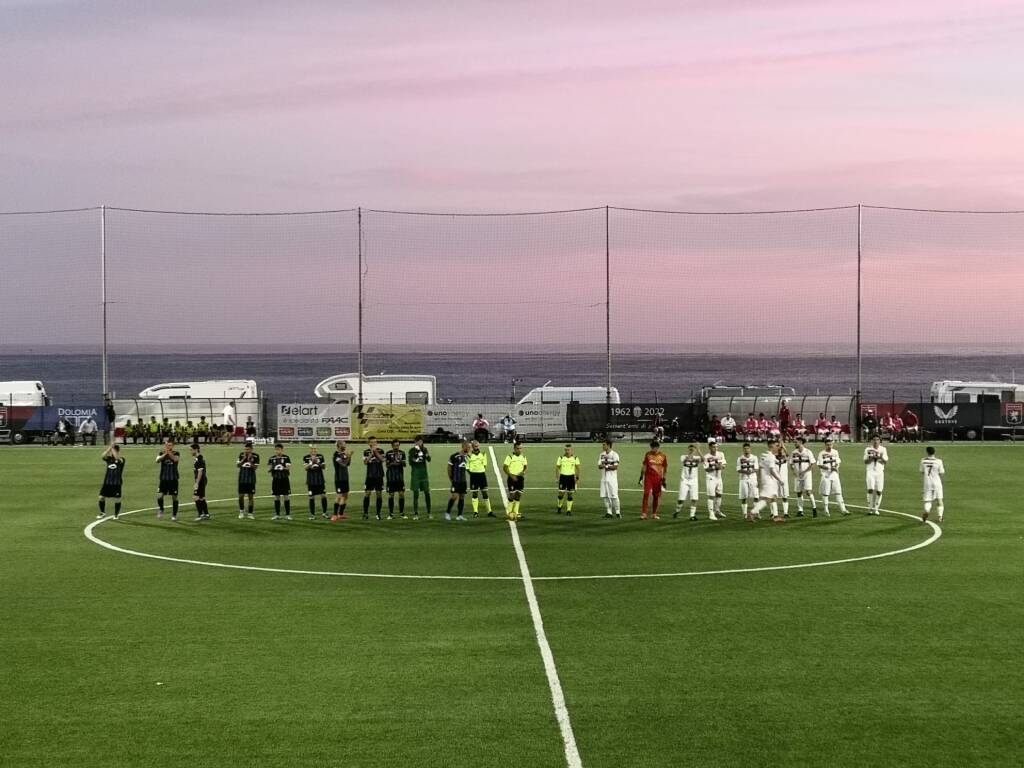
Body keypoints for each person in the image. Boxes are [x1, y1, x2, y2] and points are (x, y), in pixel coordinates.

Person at [747, 441, 785, 523]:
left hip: (765, 480)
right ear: (772, 447)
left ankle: (775, 516)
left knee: (773, 497)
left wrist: (759, 479)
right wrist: (780, 480)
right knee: (767, 499)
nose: (778, 447)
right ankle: (752, 512)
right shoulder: (771, 457)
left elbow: (760, 468)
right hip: (769, 480)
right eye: (776, 446)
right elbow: (771, 470)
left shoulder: (764, 455)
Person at [817, 438, 848, 516]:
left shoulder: (835, 452)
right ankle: (826, 510)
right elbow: (820, 465)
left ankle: (843, 509)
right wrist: (830, 468)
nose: (829, 446)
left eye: (830, 444)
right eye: (828, 444)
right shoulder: (821, 453)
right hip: (826, 475)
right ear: (825, 445)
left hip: (834, 475)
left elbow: (838, 462)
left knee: (838, 492)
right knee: (825, 493)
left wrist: (836, 468)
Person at [789, 437, 818, 517]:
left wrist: (804, 472)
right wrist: (794, 471)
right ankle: (800, 510)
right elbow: (791, 463)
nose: (794, 443)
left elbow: (813, 464)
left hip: (806, 475)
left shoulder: (808, 452)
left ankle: (814, 508)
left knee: (808, 492)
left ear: (801, 442)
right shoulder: (794, 452)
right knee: (798, 492)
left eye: (796, 442)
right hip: (798, 475)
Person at [638, 440, 667, 520]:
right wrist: (641, 477)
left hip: (658, 478)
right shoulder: (648, 454)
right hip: (648, 477)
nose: (654, 449)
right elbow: (644, 466)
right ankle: (644, 514)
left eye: (655, 448)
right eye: (653, 448)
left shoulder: (663, 456)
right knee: (646, 494)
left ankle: (654, 514)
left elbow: (665, 468)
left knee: (656, 496)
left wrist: (664, 479)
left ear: (658, 447)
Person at [96, 444, 125, 520]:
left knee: (117, 499)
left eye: (114, 450)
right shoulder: (109, 459)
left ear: (118, 451)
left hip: (116, 483)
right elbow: (102, 456)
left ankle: (116, 515)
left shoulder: (121, 459)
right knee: (101, 497)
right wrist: (109, 448)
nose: (112, 452)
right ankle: (103, 513)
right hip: (107, 482)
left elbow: (117, 458)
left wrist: (113, 449)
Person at [674, 443, 702, 520]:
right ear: (688, 449)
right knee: (681, 499)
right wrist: (693, 451)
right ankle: (677, 511)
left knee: (694, 498)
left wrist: (699, 450)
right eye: (690, 449)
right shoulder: (683, 457)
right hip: (684, 480)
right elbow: (688, 459)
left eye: (693, 448)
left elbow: (704, 460)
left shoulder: (697, 457)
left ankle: (692, 515)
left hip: (694, 480)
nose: (692, 450)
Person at [155, 439, 180, 521]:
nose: (168, 446)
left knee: (174, 497)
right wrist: (165, 453)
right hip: (164, 479)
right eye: (167, 445)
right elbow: (157, 460)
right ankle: (161, 509)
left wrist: (168, 452)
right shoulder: (162, 453)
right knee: (159, 496)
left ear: (173, 446)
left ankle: (174, 515)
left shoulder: (176, 453)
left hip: (173, 479)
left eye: (170, 445)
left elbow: (175, 459)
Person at [863, 434, 889, 515]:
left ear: (880, 441)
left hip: (880, 472)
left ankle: (876, 509)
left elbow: (885, 461)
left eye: (877, 440)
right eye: (874, 439)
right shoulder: (868, 449)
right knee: (870, 489)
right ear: (871, 441)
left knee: (879, 491)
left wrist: (880, 457)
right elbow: (865, 461)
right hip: (870, 471)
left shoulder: (883, 449)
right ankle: (870, 508)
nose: (875, 441)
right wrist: (871, 458)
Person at [467, 440, 493, 517]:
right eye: (475, 446)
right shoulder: (468, 455)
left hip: (482, 475)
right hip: (474, 476)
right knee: (475, 493)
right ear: (472, 447)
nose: (477, 447)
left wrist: (480, 470)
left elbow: (484, 465)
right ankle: (475, 512)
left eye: (478, 446)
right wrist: (472, 473)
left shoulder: (483, 454)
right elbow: (467, 467)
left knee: (485, 493)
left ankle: (489, 512)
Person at [503, 441, 528, 521]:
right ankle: (509, 513)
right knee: (512, 495)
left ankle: (516, 513)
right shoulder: (510, 457)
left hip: (520, 478)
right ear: (514, 449)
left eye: (520, 448)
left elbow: (525, 466)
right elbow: (505, 467)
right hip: (512, 478)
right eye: (517, 448)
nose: (519, 450)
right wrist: (511, 476)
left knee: (518, 495)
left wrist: (524, 471)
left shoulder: (523, 457)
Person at [362, 436, 386, 520]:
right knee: (367, 494)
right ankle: (365, 513)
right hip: (370, 476)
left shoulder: (381, 451)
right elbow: (365, 462)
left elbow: (382, 460)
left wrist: (375, 452)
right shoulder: (366, 452)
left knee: (379, 494)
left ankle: (378, 514)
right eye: (371, 442)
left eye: (375, 442)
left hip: (379, 475)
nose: (373, 443)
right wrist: (371, 454)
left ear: (377, 443)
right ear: (369, 443)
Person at [446, 441, 470, 522]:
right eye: (468, 447)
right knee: (454, 496)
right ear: (463, 447)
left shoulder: (468, 457)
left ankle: (459, 515)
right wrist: (451, 479)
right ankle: (447, 513)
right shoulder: (454, 456)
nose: (469, 449)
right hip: (455, 481)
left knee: (462, 497)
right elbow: (449, 468)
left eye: (469, 447)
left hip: (463, 481)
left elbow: (469, 469)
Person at [408, 436, 432, 519]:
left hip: (424, 474)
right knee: (416, 494)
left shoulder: (425, 449)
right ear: (415, 442)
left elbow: (429, 459)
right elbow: (411, 463)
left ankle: (429, 513)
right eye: (417, 442)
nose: (419, 443)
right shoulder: (412, 450)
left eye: (421, 441)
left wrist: (425, 454)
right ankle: (416, 514)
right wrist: (417, 455)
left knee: (427, 493)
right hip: (415, 474)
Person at [703, 438, 727, 520]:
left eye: (716, 447)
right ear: (709, 447)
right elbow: (706, 469)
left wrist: (720, 466)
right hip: (711, 478)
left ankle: (717, 510)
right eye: (713, 447)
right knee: (711, 496)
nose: (715, 448)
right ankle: (711, 513)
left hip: (719, 478)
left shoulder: (721, 454)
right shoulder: (706, 457)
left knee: (719, 495)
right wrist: (714, 467)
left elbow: (724, 465)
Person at [920, 446, 945, 523]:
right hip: (937, 482)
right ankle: (940, 517)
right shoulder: (939, 461)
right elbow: (941, 472)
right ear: (934, 452)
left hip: (927, 483)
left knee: (928, 500)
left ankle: (927, 510)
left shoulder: (923, 461)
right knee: (939, 500)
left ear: (927, 452)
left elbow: (922, 471)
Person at [268, 442, 293, 520]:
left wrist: (282, 467)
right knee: (276, 497)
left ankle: (288, 515)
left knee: (286, 496)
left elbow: (288, 468)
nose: (277, 451)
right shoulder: (272, 458)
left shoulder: (286, 457)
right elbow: (269, 469)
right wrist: (274, 468)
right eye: (276, 449)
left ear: (282, 450)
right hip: (276, 480)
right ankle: (277, 514)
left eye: (279, 449)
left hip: (284, 479)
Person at [597, 439, 621, 518]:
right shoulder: (601, 455)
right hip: (603, 479)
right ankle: (609, 512)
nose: (603, 446)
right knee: (605, 496)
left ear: (608, 445)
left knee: (614, 496)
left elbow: (615, 467)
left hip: (612, 479)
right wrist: (605, 466)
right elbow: (599, 466)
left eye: (604, 445)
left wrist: (606, 466)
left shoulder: (615, 454)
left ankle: (617, 512)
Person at [556, 443, 582, 516]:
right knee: (561, 494)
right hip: (563, 477)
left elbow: (578, 468)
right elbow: (557, 467)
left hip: (571, 477)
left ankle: (568, 510)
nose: (567, 451)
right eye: (566, 450)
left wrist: (577, 478)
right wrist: (557, 477)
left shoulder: (575, 458)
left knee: (570, 494)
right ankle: (559, 507)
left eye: (569, 450)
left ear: (572, 450)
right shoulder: (561, 458)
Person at [304, 444, 329, 520]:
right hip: (311, 480)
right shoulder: (306, 457)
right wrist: (311, 463)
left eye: (315, 449)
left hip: (320, 480)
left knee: (323, 496)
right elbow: (305, 468)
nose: (314, 451)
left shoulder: (320, 456)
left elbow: (324, 467)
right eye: (312, 449)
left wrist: (317, 462)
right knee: (311, 497)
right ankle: (312, 514)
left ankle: (324, 513)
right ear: (310, 450)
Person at [236, 441, 260, 519]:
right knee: (240, 496)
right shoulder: (241, 455)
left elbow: (255, 468)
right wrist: (243, 459)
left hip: (251, 479)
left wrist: (250, 460)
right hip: (242, 479)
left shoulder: (256, 456)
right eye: (245, 449)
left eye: (248, 449)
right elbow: (238, 465)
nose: (246, 451)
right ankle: (241, 511)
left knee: (250, 497)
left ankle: (250, 513)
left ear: (251, 449)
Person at [384, 439, 407, 519]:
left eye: (398, 445)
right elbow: (386, 465)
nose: (396, 447)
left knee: (401, 494)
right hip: (391, 477)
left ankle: (402, 513)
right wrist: (392, 463)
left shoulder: (402, 453)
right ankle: (391, 514)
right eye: (395, 445)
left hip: (400, 478)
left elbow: (404, 464)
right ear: (392, 446)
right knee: (391, 495)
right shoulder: (388, 453)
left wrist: (400, 461)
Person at [736, 442, 760, 519]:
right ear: (743, 449)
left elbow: (756, 468)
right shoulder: (740, 458)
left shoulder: (754, 457)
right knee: (744, 497)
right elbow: (738, 469)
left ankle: (756, 513)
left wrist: (751, 471)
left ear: (750, 449)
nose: (746, 450)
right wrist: (746, 472)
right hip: (743, 479)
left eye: (748, 448)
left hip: (753, 478)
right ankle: (745, 514)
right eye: (745, 448)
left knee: (756, 496)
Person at [331, 440, 351, 521]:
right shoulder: (336, 455)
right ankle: (335, 514)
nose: (345, 446)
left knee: (345, 495)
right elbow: (343, 464)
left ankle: (341, 514)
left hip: (345, 478)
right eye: (343, 444)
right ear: (339, 445)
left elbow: (348, 464)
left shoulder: (343, 454)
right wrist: (349, 456)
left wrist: (349, 457)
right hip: (339, 478)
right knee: (339, 496)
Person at [191, 443, 209, 521]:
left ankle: (201, 515)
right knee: (201, 498)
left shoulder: (199, 459)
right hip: (202, 480)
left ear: (196, 449)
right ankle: (206, 514)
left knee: (195, 497)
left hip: (200, 480)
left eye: (191, 450)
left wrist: (197, 483)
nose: (190, 451)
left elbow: (200, 472)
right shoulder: (198, 458)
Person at [774, 440, 791, 517]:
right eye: (779, 449)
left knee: (785, 496)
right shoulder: (773, 458)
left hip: (784, 480)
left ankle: (786, 513)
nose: (781, 451)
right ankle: (774, 513)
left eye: (782, 450)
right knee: (774, 496)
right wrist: (778, 446)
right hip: (775, 480)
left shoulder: (785, 458)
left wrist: (783, 446)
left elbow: (788, 455)